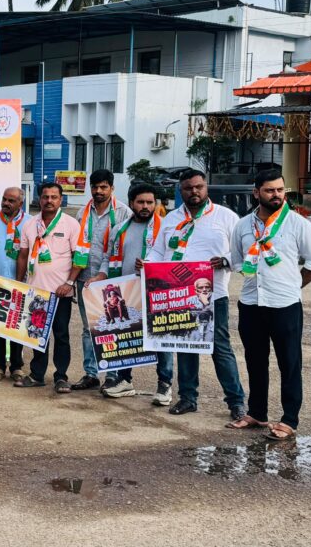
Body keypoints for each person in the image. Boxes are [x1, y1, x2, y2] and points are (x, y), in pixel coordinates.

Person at [229, 169, 311, 440]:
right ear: (256, 192)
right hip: (251, 303)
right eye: (270, 190)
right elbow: (236, 261)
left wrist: (293, 286)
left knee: (289, 363)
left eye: (280, 190)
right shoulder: (242, 226)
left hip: (285, 305)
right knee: (255, 360)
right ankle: (257, 413)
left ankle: (289, 419)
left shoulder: (297, 224)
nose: (276, 195)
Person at [147, 169, 246, 421]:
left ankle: (236, 402)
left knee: (220, 348)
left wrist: (225, 260)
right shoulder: (170, 219)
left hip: (213, 294)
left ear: (206, 187)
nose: (194, 192)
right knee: (185, 346)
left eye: (199, 187)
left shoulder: (226, 217)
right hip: (178, 294)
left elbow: (244, 252)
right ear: (180, 190)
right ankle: (188, 398)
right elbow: (158, 251)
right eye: (188, 188)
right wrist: (147, 265)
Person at [90, 183, 172, 403]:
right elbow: (108, 258)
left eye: (150, 202)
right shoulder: (119, 229)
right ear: (131, 203)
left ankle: (165, 385)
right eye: (140, 202)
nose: (145, 206)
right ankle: (125, 380)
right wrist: (100, 276)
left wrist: (152, 267)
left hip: (156, 292)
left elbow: (174, 260)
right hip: (126, 291)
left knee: (161, 338)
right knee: (127, 335)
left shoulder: (165, 228)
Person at [14, 182, 81, 393]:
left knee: (61, 336)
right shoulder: (29, 224)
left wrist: (69, 283)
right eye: (45, 197)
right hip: (36, 292)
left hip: (61, 292)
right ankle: (37, 375)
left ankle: (61, 377)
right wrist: (19, 283)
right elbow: (23, 255)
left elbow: (79, 257)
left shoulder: (71, 224)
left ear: (61, 200)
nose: (49, 201)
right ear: (39, 199)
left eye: (54, 197)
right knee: (37, 335)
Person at [72, 169, 131, 392]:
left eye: (104, 187)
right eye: (95, 187)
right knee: (89, 328)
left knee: (112, 326)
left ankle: (112, 375)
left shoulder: (124, 213)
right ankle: (91, 374)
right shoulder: (82, 213)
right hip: (85, 278)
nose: (99, 191)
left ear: (112, 188)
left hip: (111, 280)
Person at [0, 186, 28, 382]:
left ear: (20, 203)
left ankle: (17, 367)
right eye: (4, 199)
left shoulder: (30, 222)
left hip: (21, 282)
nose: (6, 203)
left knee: (17, 327)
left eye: (11, 201)